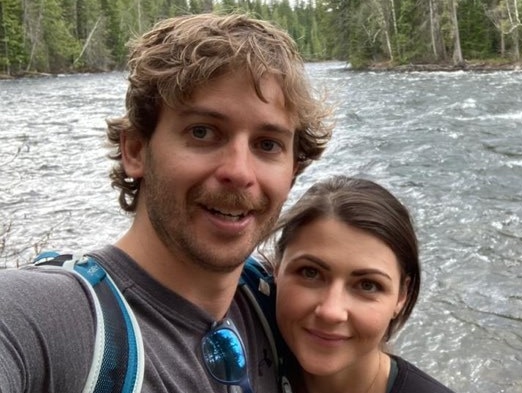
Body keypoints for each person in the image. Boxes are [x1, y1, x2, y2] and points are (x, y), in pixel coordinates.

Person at [0, 13, 332, 393]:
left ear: (292, 172)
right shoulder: (48, 319)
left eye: (267, 144)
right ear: (136, 150)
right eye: (203, 132)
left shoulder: (280, 309)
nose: (240, 172)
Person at [264, 176, 455, 393]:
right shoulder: (237, 353)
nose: (331, 312)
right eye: (310, 272)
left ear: (403, 296)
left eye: (367, 285)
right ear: (277, 268)